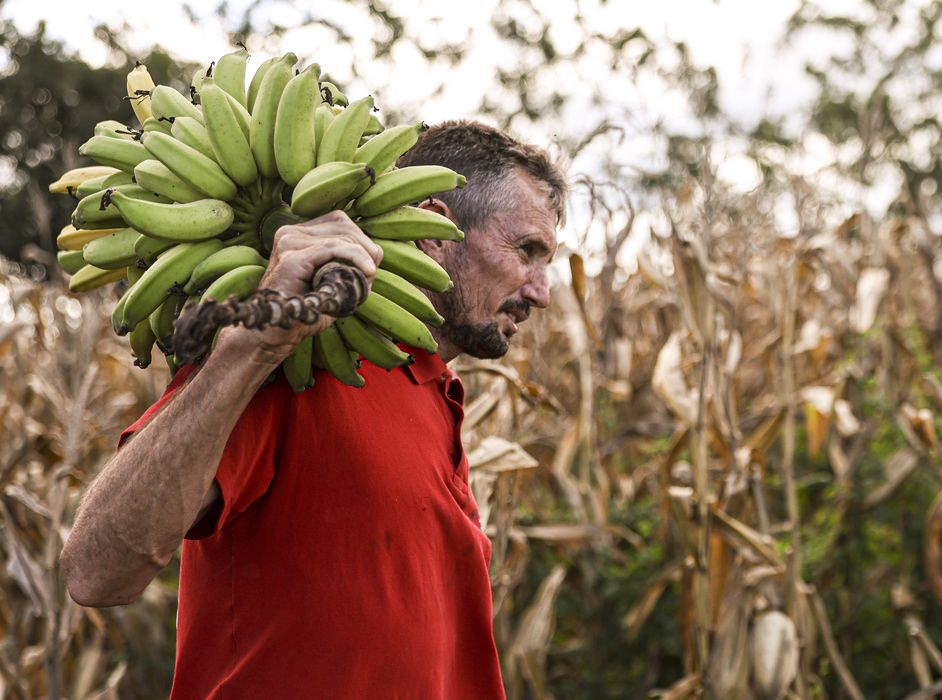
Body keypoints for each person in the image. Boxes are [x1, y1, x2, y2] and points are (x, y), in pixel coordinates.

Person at [59, 120, 566, 699]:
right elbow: (97, 571)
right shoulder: (296, 362)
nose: (541, 290)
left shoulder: (435, 395)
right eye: (525, 251)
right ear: (437, 229)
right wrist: (250, 349)